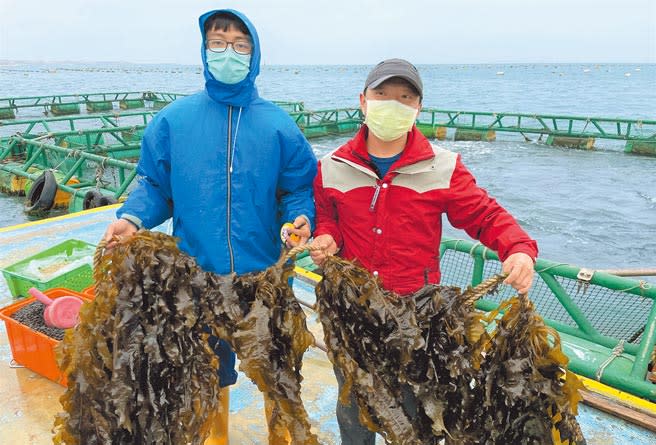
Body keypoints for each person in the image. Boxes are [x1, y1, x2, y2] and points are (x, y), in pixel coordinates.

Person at [102, 9, 316, 445]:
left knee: (277, 374)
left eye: (240, 44)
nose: (229, 52)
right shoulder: (174, 121)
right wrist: (132, 217)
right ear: (204, 50)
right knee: (206, 376)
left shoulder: (278, 125)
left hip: (266, 278)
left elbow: (297, 188)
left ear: (254, 54)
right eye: (218, 43)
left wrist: (302, 217)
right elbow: (154, 184)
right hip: (196, 279)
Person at [310, 58, 538, 444]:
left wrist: (516, 248)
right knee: (354, 409)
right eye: (382, 95)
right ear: (363, 102)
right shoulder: (331, 166)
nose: (392, 104)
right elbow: (327, 219)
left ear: (418, 108)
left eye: (404, 97)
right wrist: (327, 237)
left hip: (419, 316)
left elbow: (483, 214)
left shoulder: (442, 166)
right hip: (352, 312)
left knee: (418, 411)